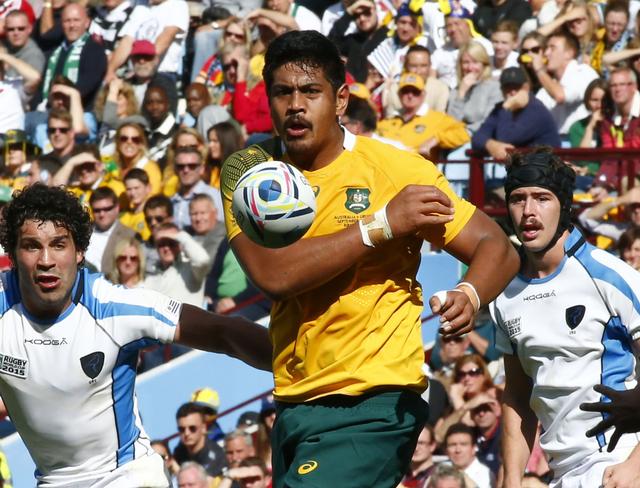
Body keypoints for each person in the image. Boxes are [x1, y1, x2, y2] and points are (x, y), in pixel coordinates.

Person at [220, 30, 519, 487]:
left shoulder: (396, 170)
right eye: (282, 92)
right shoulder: (247, 173)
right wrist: (382, 225)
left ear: (341, 100)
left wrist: (470, 293)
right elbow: (274, 275)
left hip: (375, 402)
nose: (295, 105)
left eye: (310, 92)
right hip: (294, 403)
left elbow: (495, 246)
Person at [0, 183, 271, 486]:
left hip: (125, 476)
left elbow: (221, 331)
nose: (46, 260)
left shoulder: (114, 307)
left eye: (59, 244)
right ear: (12, 253)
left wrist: (298, 365)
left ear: (80, 252)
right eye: (32, 245)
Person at [490, 148, 640, 487]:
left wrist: (637, 465)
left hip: (613, 463)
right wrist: (511, 479)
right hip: (560, 473)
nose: (529, 211)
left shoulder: (610, 275)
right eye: (518, 199)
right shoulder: (504, 294)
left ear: (564, 205)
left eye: (542, 198)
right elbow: (518, 395)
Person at [472, 66, 560, 161]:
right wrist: (490, 144)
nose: (512, 92)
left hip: (546, 168)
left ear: (526, 87)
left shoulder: (536, 109)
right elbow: (477, 138)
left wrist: (508, 107)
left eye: (517, 87)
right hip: (524, 169)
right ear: (502, 90)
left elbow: (506, 138)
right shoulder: (500, 109)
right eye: (507, 88)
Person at [40, 3, 107, 111]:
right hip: (49, 109)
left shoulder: (95, 50)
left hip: (81, 112)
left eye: (76, 20)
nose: (72, 25)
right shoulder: (54, 51)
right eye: (67, 21)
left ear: (86, 23)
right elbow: (42, 86)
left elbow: (86, 85)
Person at [532, 30, 599, 138]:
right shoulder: (547, 87)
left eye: (552, 48)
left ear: (569, 53)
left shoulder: (583, 72)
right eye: (546, 48)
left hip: (580, 142)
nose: (546, 53)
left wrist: (539, 70)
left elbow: (561, 96)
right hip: (558, 145)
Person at [173, 403, 228, 477]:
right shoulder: (179, 453)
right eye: (181, 429)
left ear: (203, 428)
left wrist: (175, 467)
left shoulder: (217, 455)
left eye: (192, 428)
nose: (186, 433)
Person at [444, 423, 494, 488]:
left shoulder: (485, 475)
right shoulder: (438, 471)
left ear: (474, 448)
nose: (458, 450)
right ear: (446, 450)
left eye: (463, 444)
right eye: (453, 445)